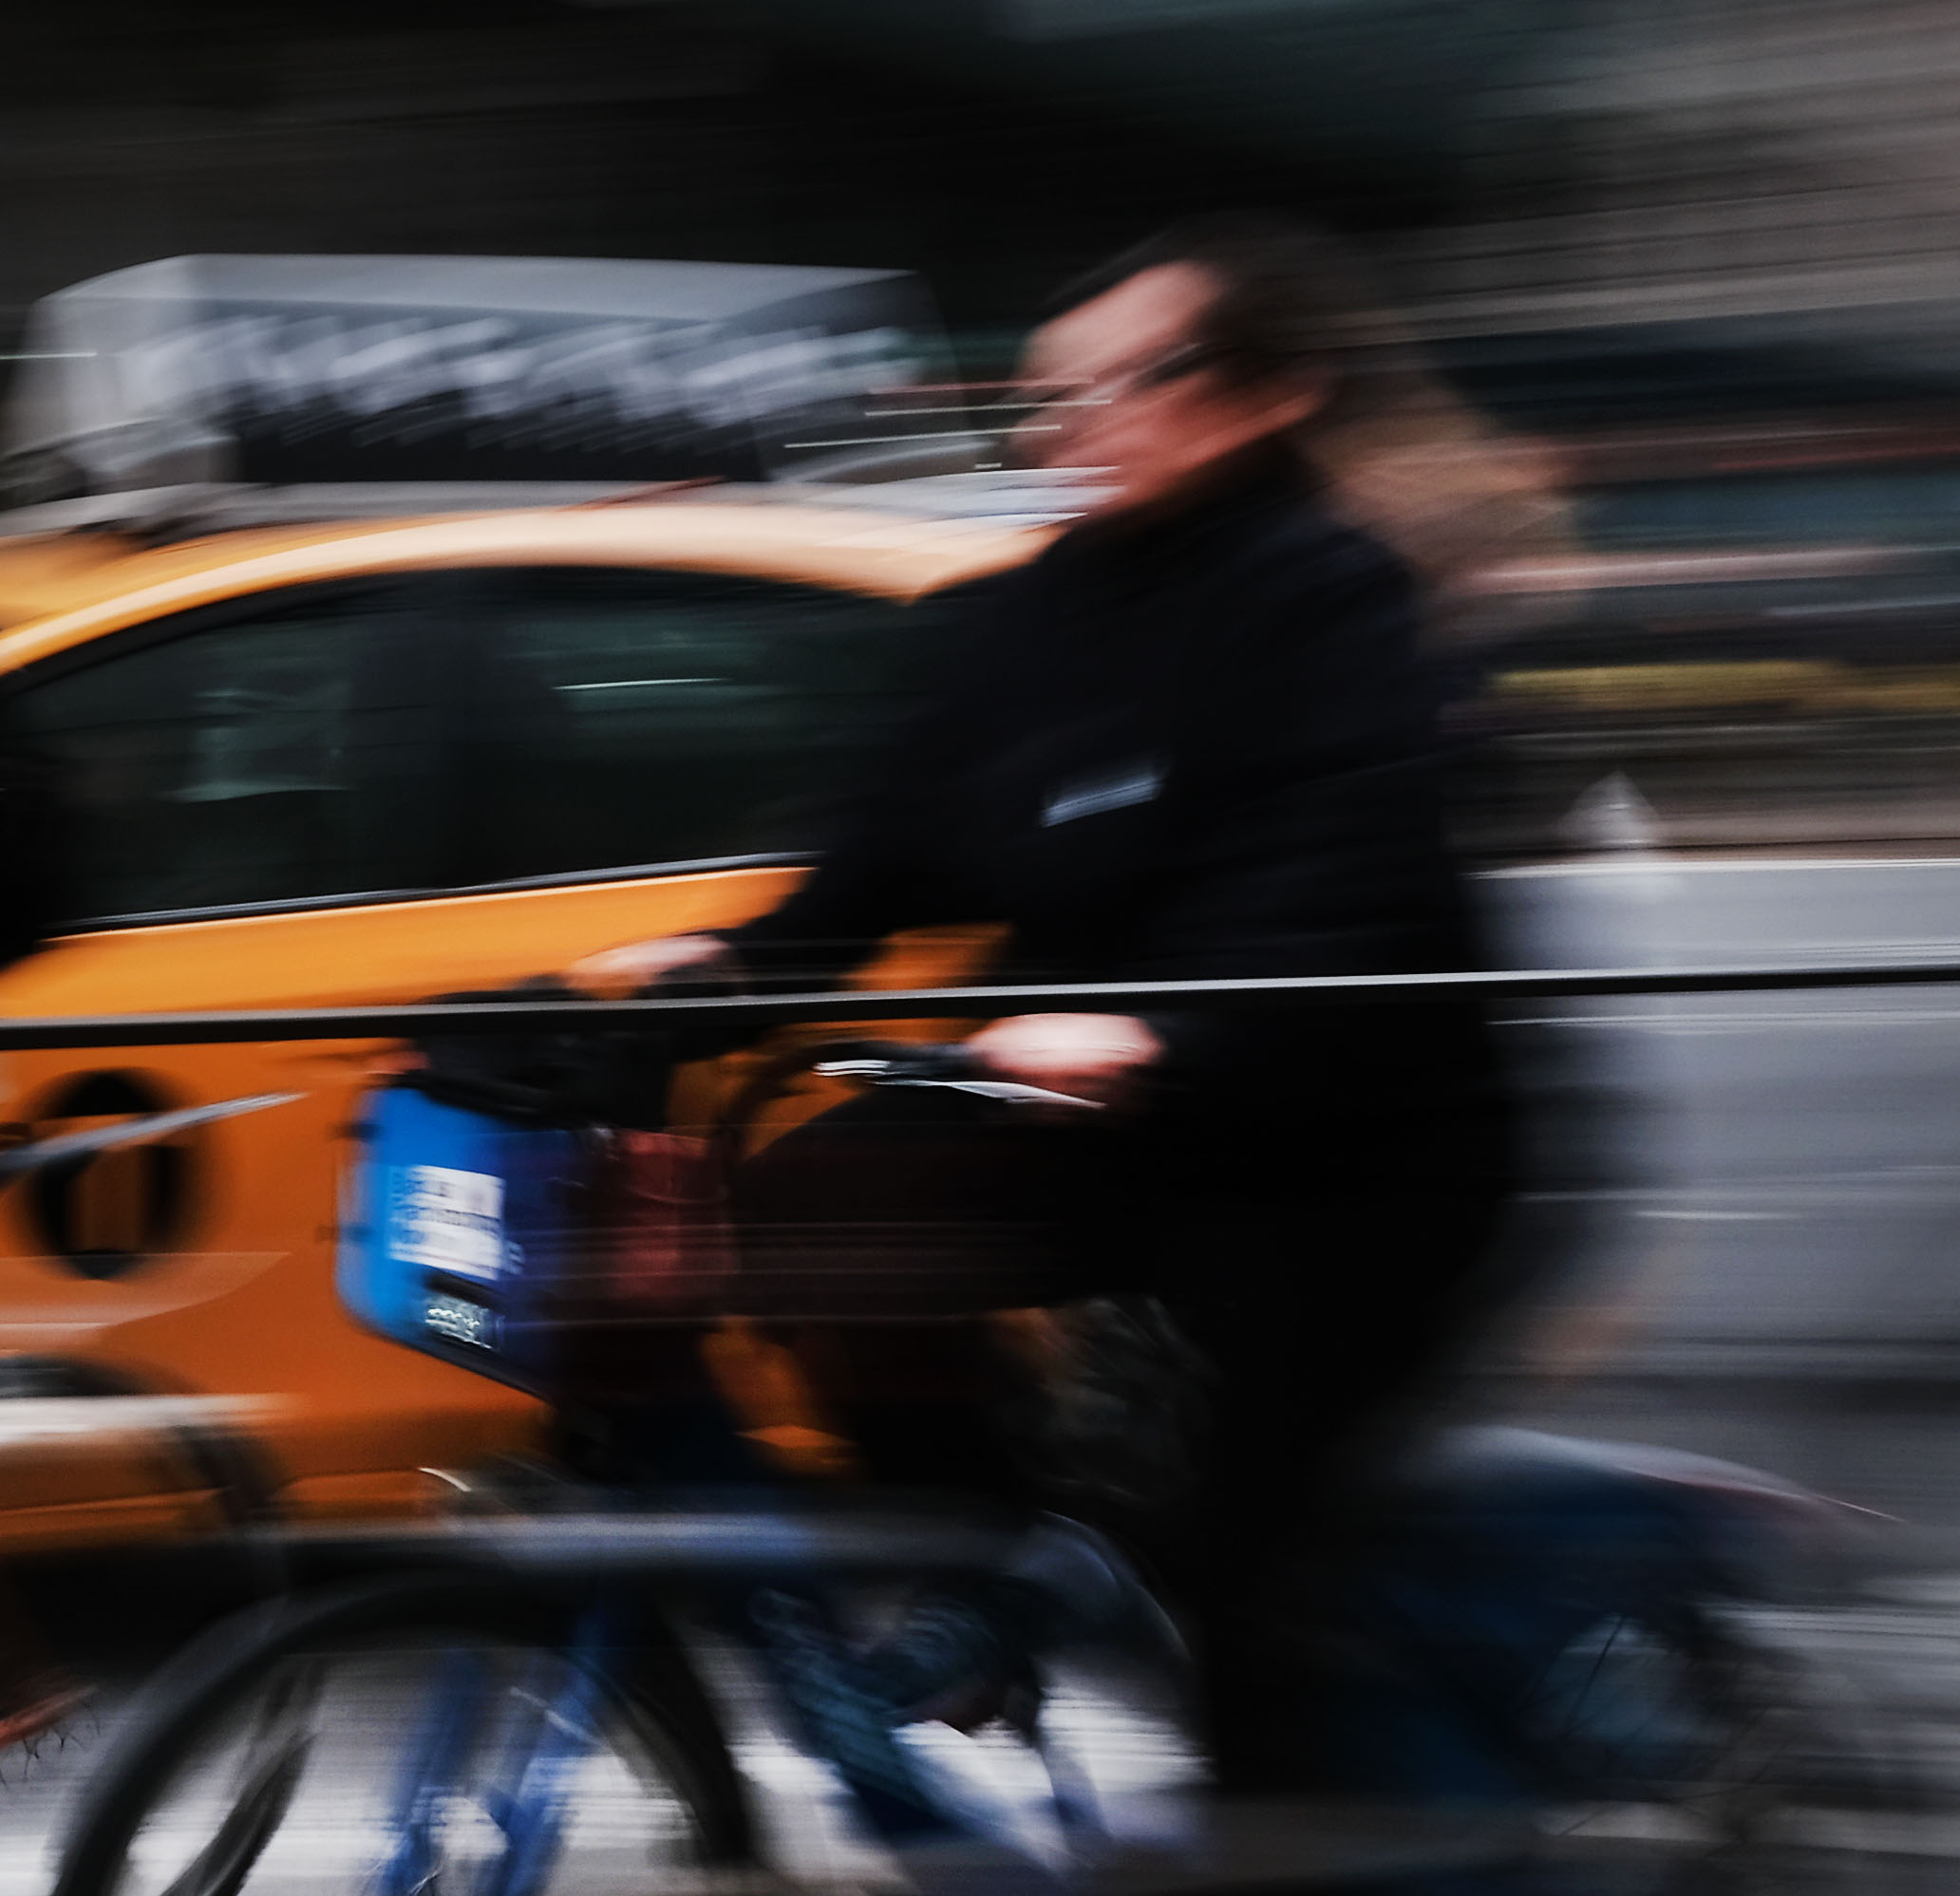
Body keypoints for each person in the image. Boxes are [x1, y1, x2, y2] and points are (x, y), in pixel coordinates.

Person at [570, 217, 1527, 1805]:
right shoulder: (1035, 609)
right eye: (1041, 394)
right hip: (1093, 1122)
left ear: (1261, 395)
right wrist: (711, 975)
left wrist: (1161, 1031)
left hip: (1343, 1153)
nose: (1054, 427)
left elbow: (1347, 878)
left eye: (1113, 384)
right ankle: (995, 1570)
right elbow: (874, 860)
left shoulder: (1329, 596)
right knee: (806, 1211)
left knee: (1246, 1545)